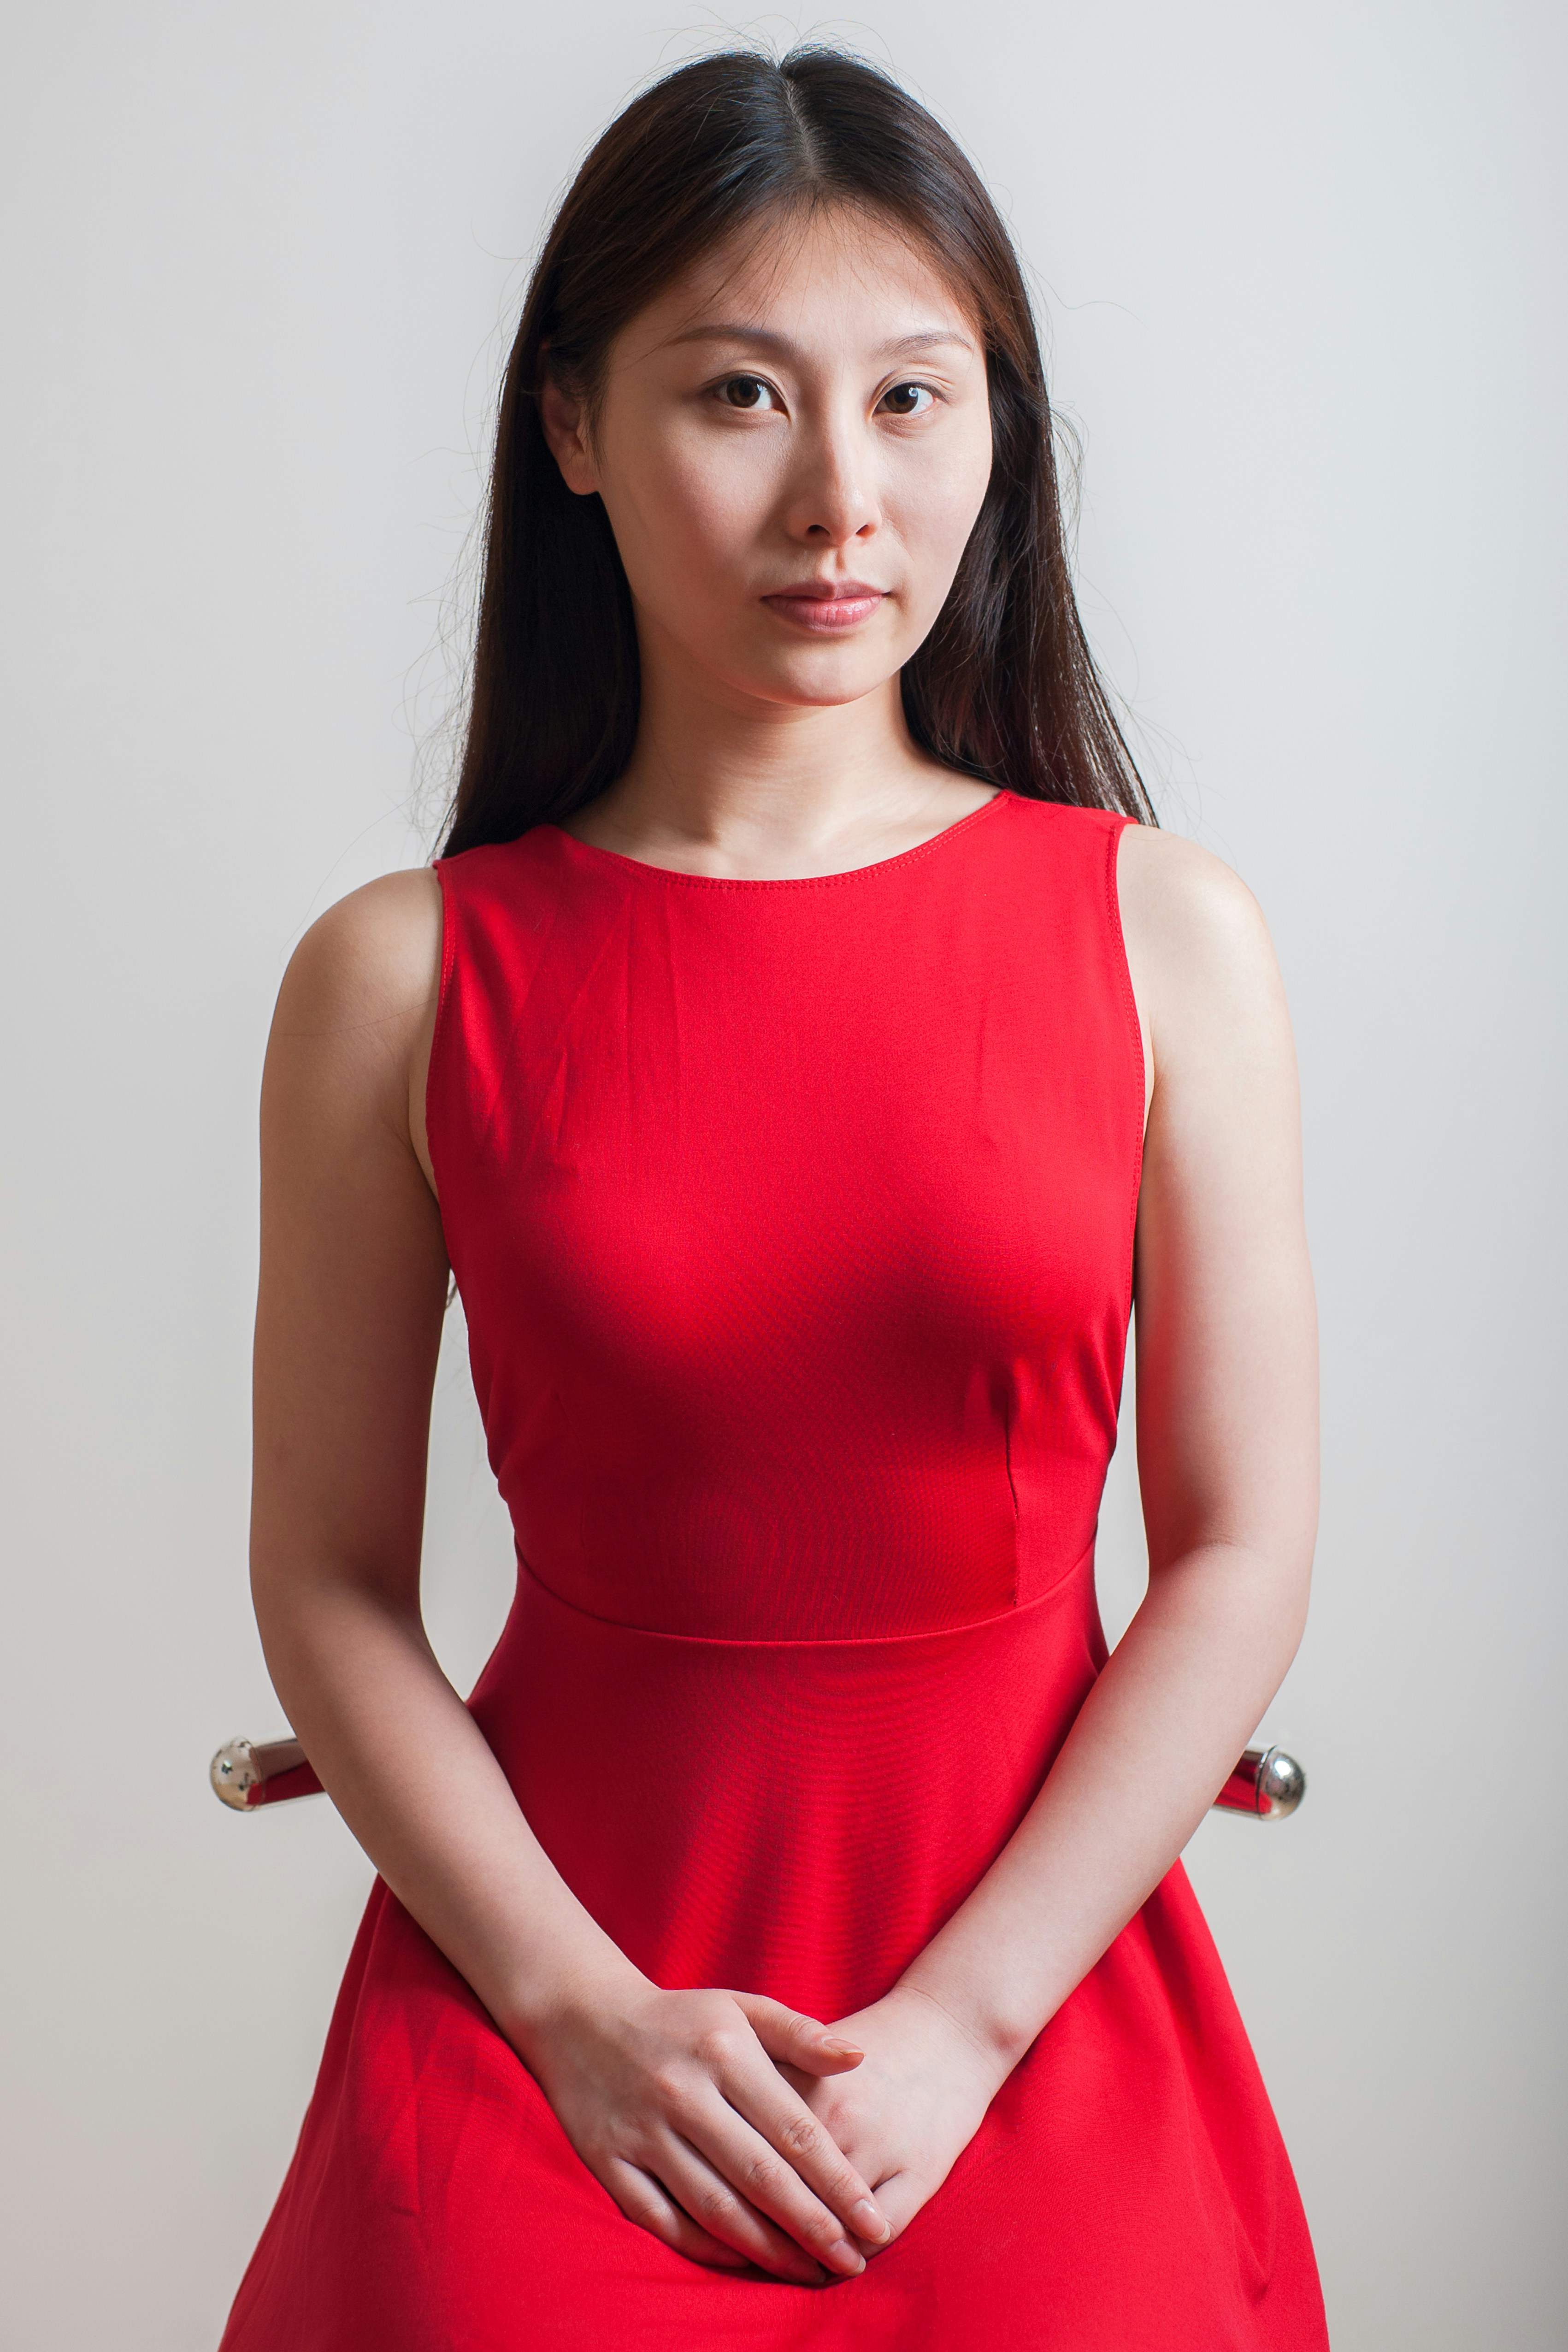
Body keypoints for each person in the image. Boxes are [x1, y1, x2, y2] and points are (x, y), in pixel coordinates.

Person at [219, 47, 1328, 2352]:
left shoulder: (1160, 931)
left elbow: (1233, 1546)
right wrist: (575, 2012)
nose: (841, 496)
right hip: (558, 1999)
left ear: (995, 427)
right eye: (738, 392)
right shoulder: (402, 980)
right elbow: (327, 1577)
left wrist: (961, 2029)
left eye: (914, 399)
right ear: (572, 426)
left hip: (1034, 1995)